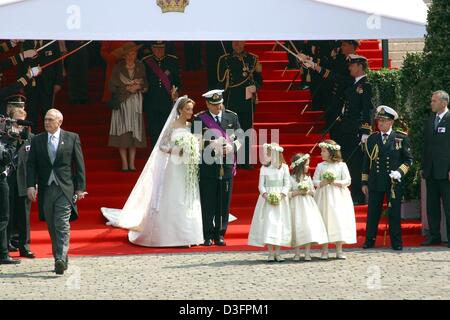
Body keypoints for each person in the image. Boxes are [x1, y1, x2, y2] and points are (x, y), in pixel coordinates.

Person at [102, 96, 203, 247]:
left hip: (187, 168)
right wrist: (176, 150)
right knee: (174, 197)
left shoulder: (192, 125)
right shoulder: (172, 126)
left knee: (187, 198)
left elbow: (198, 143)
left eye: (191, 109)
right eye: (187, 109)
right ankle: (174, 235)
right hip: (174, 167)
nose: (190, 112)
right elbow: (162, 146)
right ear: (180, 109)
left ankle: (188, 235)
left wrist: (193, 149)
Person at [301, 54, 374, 205]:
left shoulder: (366, 85)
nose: (349, 68)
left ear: (360, 66)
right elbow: (335, 77)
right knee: (348, 161)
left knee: (355, 164)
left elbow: (367, 110)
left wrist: (366, 131)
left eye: (352, 65)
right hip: (346, 128)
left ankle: (358, 196)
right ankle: (352, 193)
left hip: (357, 130)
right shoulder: (353, 83)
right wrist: (314, 66)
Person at [26, 108, 87, 275]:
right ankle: (61, 256)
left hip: (65, 188)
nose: (46, 122)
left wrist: (80, 188)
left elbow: (79, 164)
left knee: (62, 223)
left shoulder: (71, 137)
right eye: (45, 119)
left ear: (59, 122)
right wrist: (30, 185)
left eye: (50, 120)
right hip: (46, 188)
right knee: (52, 225)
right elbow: (31, 165)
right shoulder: (38, 140)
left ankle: (59, 258)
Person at [192, 89, 242, 246]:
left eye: (220, 103)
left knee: (223, 200)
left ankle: (219, 233)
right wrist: (210, 145)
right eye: (214, 105)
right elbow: (195, 141)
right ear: (207, 104)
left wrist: (232, 147)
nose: (218, 107)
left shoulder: (232, 117)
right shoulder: (199, 119)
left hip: (226, 165)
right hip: (208, 165)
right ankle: (207, 234)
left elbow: (241, 136)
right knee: (208, 200)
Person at [362, 106, 413, 251]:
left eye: (384, 121)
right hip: (376, 180)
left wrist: (399, 172)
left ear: (391, 122)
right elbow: (367, 161)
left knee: (394, 212)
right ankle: (369, 239)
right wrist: (364, 181)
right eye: (379, 121)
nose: (380, 124)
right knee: (373, 212)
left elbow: (408, 160)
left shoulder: (400, 138)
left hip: (393, 183)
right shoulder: (372, 138)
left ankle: (396, 241)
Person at [217, 41, 263, 169]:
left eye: (239, 42)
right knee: (232, 131)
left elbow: (259, 80)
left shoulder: (252, 59)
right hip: (232, 99)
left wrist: (255, 87)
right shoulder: (225, 59)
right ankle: (231, 160)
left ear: (244, 43)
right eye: (234, 43)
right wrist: (221, 101)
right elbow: (220, 83)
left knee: (247, 131)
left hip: (248, 101)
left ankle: (245, 160)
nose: (237, 45)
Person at [313, 140, 357, 259]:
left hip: (338, 196)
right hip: (324, 196)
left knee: (338, 220)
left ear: (331, 152)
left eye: (324, 151)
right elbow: (315, 181)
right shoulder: (320, 166)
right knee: (325, 219)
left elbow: (348, 180)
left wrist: (334, 181)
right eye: (321, 151)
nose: (321, 153)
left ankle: (339, 249)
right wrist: (323, 182)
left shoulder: (341, 165)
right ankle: (324, 250)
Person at [108, 42, 148, 171]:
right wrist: (127, 89)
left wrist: (139, 87)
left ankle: (132, 163)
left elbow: (146, 83)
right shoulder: (118, 68)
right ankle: (124, 163)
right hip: (122, 104)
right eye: (129, 54)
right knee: (122, 133)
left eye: (134, 53)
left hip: (136, 104)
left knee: (134, 133)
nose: (131, 56)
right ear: (124, 56)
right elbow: (111, 87)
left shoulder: (140, 66)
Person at [248, 143, 291, 262]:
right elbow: (261, 185)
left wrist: (281, 195)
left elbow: (287, 184)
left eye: (270, 153)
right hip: (267, 199)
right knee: (269, 224)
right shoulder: (264, 168)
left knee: (279, 224)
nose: (268, 156)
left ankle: (278, 252)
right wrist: (266, 195)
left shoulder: (284, 168)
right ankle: (271, 252)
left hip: (281, 199)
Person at [421, 90, 450, 247]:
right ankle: (434, 236)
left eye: (434, 101)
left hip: (446, 171)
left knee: (449, 205)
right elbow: (426, 146)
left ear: (444, 103)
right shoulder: (430, 119)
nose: (431, 103)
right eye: (432, 100)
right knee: (431, 206)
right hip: (431, 170)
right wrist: (424, 167)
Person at [6, 105, 35, 258]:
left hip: (24, 181)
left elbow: (35, 163)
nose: (20, 126)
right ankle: (5, 245)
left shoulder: (32, 138)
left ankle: (25, 246)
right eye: (17, 122)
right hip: (7, 180)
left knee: (24, 215)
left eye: (22, 122)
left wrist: (34, 183)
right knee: (6, 213)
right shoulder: (5, 136)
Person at [141, 41, 181, 149]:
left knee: (167, 130)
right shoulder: (145, 62)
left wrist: (176, 92)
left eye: (162, 48)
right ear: (152, 48)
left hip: (166, 102)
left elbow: (177, 81)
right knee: (153, 131)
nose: (159, 50)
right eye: (157, 48)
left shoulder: (172, 61)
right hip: (151, 102)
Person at [18, 40, 64, 133]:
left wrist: (58, 82)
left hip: (48, 84)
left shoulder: (52, 41)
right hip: (30, 83)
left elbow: (58, 63)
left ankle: (48, 136)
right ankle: (31, 137)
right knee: (31, 112)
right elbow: (21, 64)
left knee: (47, 112)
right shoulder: (27, 42)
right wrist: (21, 83)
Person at [289, 153, 328, 261]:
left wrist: (309, 191)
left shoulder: (307, 178)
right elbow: (288, 193)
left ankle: (307, 253)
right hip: (296, 206)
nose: (308, 167)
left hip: (308, 205)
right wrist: (298, 192)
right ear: (300, 166)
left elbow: (314, 191)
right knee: (297, 226)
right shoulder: (291, 178)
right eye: (306, 165)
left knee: (308, 227)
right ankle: (297, 253)